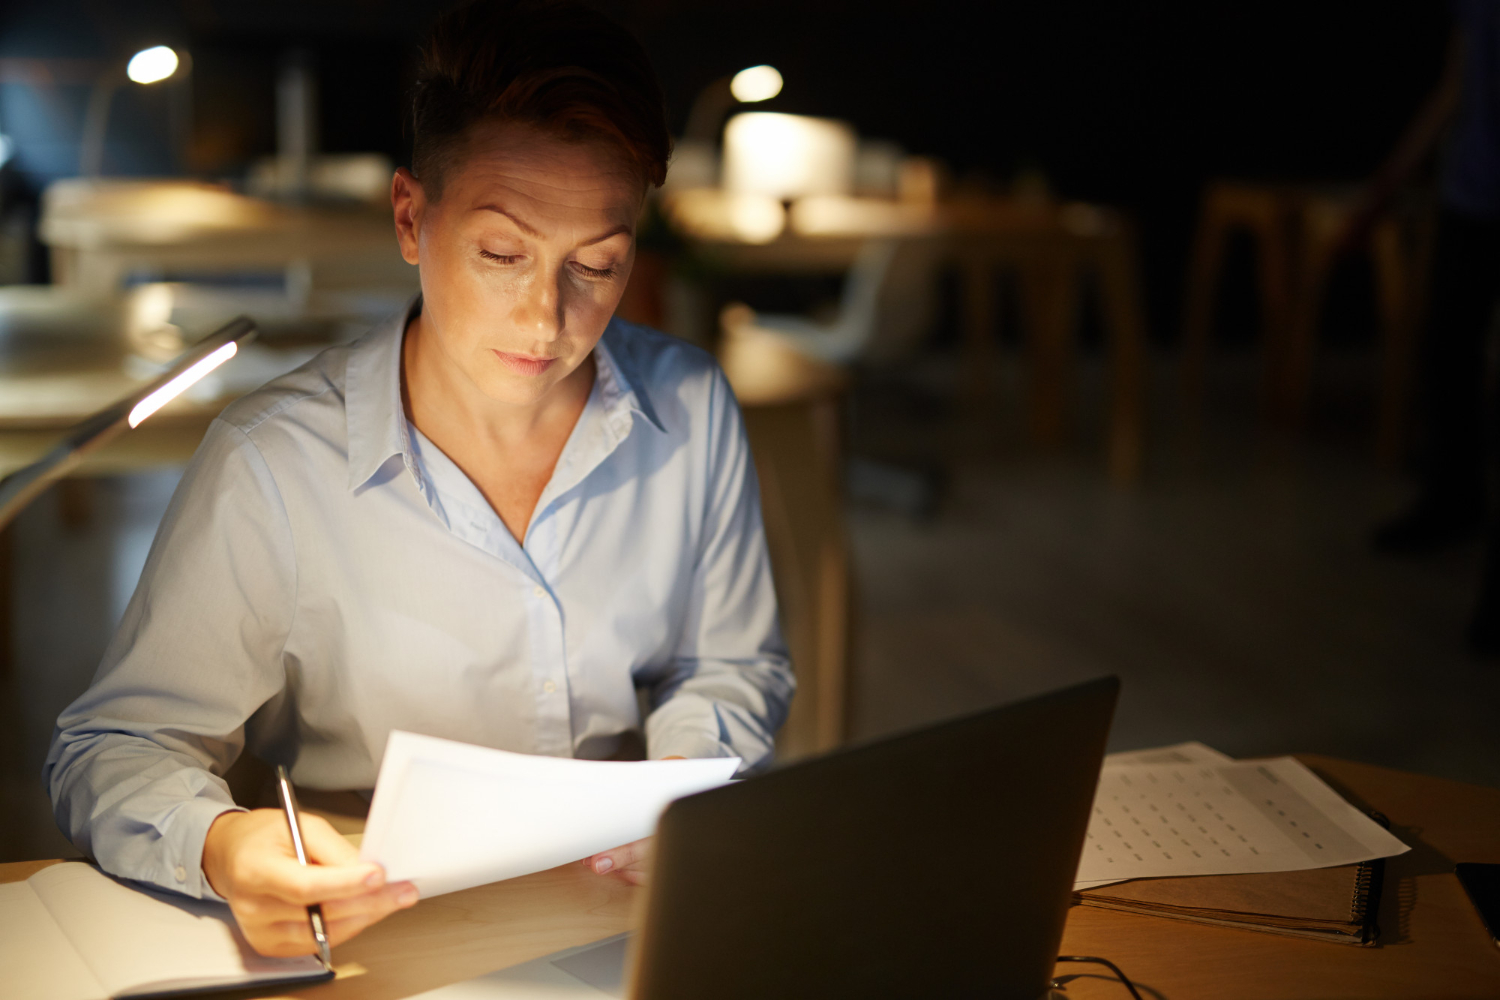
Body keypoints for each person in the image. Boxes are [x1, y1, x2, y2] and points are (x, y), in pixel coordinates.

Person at [44, 0, 793, 959]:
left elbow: (734, 666)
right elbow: (112, 747)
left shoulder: (691, 409)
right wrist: (225, 843)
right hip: (371, 928)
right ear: (411, 217)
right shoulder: (274, 464)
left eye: (596, 266)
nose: (544, 318)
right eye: (501, 254)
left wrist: (680, 786)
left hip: (624, 919)